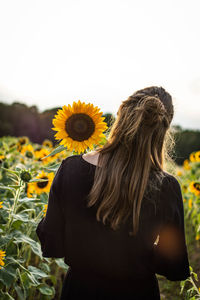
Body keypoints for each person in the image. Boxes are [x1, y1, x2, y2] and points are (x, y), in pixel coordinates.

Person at [36, 86, 190, 300]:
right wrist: (136, 252)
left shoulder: (70, 169)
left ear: (121, 115)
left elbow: (52, 244)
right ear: (164, 128)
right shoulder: (167, 187)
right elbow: (175, 267)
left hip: (80, 291)